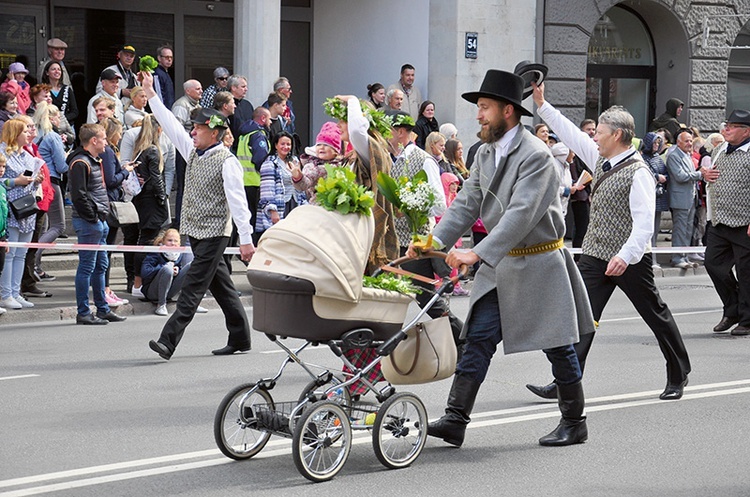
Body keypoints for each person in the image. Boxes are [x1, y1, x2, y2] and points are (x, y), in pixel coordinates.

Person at [417, 69, 594, 448]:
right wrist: (433, 241)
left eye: (484, 107)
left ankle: (574, 421)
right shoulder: (484, 152)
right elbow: (466, 203)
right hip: (501, 265)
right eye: (479, 108)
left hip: (538, 262)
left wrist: (476, 252)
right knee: (477, 337)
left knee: (557, 344)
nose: (478, 115)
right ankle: (455, 418)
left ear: (508, 111)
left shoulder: (537, 155)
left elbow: (521, 214)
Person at [529, 80, 691, 402]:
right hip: (595, 255)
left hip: (628, 259)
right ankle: (565, 380)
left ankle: (678, 373)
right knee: (581, 319)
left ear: (617, 135)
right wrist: (542, 105)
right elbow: (572, 133)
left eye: (599, 133)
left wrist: (626, 255)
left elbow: (645, 224)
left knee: (654, 314)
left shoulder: (639, 172)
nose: (594, 138)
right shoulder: (602, 159)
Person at [141, 69, 254, 360]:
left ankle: (168, 341)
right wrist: (151, 94)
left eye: (198, 128)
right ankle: (241, 337)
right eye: (193, 128)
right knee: (223, 287)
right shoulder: (192, 150)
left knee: (192, 288)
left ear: (214, 132)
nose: (192, 132)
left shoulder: (227, 161)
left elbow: (238, 202)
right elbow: (168, 122)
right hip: (196, 231)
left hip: (216, 232)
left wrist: (246, 239)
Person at [67, 124, 126, 325]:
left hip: (99, 219)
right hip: (90, 221)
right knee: (87, 267)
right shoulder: (81, 162)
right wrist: (93, 217)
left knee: (101, 265)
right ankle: (83, 312)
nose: (106, 142)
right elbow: (78, 195)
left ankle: (102, 308)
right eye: (103, 138)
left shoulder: (92, 160)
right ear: (93, 141)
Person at [702, 109, 750, 336]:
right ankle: (733, 310)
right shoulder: (721, 148)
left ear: (746, 131)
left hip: (743, 222)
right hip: (719, 220)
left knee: (746, 272)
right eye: (726, 125)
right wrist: (705, 175)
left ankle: (747, 320)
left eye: (732, 126)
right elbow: (712, 174)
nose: (726, 129)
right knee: (713, 264)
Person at [0, 119, 41, 309]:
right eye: (25, 131)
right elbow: (3, 180)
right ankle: (5, 293)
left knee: (21, 254)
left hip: (27, 209)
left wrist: (36, 180)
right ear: (14, 133)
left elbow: (30, 181)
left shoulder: (27, 155)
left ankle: (16, 293)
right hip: (10, 209)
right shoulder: (2, 153)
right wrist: (16, 181)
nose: (29, 134)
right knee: (10, 254)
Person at [128, 115, 169, 297]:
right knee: (147, 241)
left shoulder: (140, 150)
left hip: (142, 199)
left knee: (145, 240)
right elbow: (156, 178)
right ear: (157, 130)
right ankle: (138, 283)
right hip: (151, 200)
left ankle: (140, 282)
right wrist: (162, 197)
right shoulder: (152, 150)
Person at [32, 103, 68, 283]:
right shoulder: (53, 137)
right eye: (58, 117)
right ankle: (34, 260)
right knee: (58, 226)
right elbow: (62, 166)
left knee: (42, 227)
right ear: (51, 117)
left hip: (36, 183)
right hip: (51, 182)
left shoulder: (34, 135)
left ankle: (34, 266)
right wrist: (68, 156)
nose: (59, 120)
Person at [665, 128, 703, 269]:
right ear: (678, 142)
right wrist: (700, 174)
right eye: (686, 141)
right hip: (680, 199)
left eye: (691, 140)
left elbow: (689, 174)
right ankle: (677, 258)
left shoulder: (686, 155)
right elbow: (680, 176)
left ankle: (684, 256)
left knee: (687, 229)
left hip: (690, 197)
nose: (689, 143)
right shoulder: (674, 156)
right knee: (680, 229)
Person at [255, 131, 302, 239]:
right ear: (276, 145)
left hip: (294, 204)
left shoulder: (294, 161)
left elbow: (301, 185)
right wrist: (272, 211)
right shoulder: (270, 163)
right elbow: (267, 190)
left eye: (288, 144)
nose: (286, 147)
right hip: (279, 206)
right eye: (282, 144)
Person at [236, 107, 271, 245]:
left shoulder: (245, 134)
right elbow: (260, 159)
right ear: (263, 118)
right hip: (256, 181)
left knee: (247, 216)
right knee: (256, 219)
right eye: (268, 119)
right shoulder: (258, 135)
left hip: (245, 181)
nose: (270, 122)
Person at [141, 228, 194, 316]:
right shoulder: (156, 251)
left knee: (191, 265)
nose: (173, 243)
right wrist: (164, 267)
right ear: (163, 241)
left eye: (175, 241)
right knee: (168, 268)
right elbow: (145, 272)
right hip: (152, 291)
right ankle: (161, 305)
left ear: (179, 243)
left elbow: (179, 269)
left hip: (170, 291)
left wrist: (178, 270)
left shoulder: (179, 254)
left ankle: (191, 303)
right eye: (169, 240)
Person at [292, 121, 344, 202]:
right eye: (319, 145)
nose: (321, 148)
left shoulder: (343, 164)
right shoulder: (312, 166)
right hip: (319, 206)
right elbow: (304, 184)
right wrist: (298, 176)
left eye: (326, 145)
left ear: (335, 150)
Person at [640, 132, 669, 268]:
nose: (657, 146)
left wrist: (664, 177)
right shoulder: (642, 157)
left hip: (659, 195)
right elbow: (644, 172)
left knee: (655, 230)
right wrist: (657, 176)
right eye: (655, 143)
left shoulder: (658, 158)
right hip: (648, 196)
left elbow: (666, 171)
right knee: (648, 230)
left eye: (659, 143)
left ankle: (653, 259)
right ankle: (648, 260)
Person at [41, 60, 78, 137]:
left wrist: (61, 119)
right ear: (47, 73)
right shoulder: (42, 90)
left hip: (66, 129)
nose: (57, 71)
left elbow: (75, 111)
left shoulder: (67, 89)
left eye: (59, 69)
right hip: (48, 128)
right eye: (53, 69)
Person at [227, 75, 254, 152]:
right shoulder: (226, 105)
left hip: (247, 147)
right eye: (243, 87)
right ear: (233, 88)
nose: (246, 89)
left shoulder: (247, 105)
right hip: (232, 147)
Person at [153, 45, 175, 109]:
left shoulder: (166, 73)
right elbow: (158, 95)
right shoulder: (157, 73)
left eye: (171, 57)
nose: (169, 59)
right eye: (166, 57)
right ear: (159, 58)